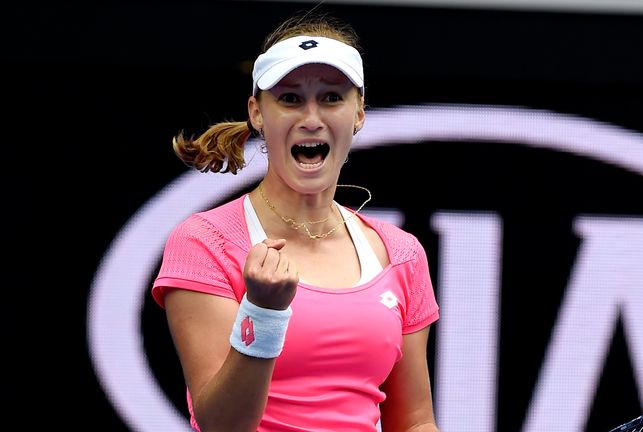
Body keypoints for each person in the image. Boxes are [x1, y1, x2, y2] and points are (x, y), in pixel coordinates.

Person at [151, 9, 441, 432]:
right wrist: (263, 314)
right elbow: (222, 425)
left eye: (331, 97)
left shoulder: (401, 253)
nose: (311, 117)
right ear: (257, 113)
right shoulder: (205, 241)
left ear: (359, 113)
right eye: (289, 98)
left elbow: (414, 421)